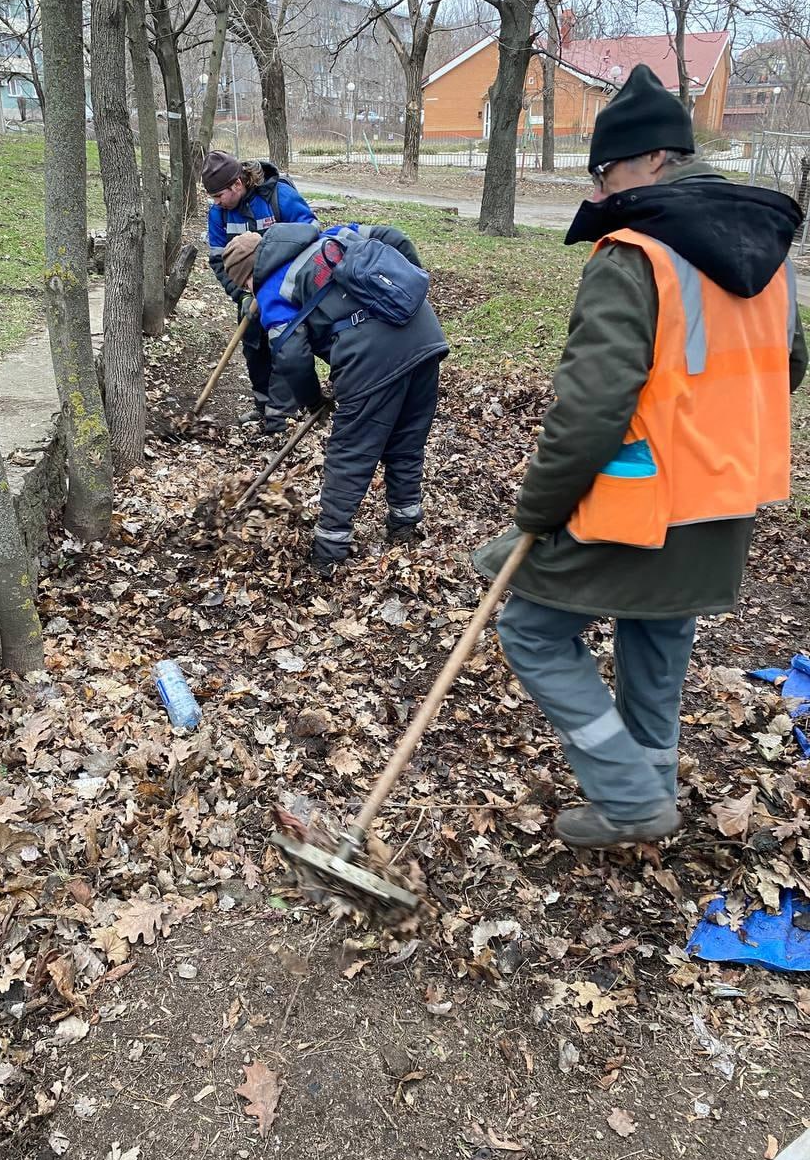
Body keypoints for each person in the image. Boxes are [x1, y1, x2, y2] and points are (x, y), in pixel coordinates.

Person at [472, 64, 807, 850]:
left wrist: (537, 511)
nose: (600, 188)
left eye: (608, 168)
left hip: (644, 505)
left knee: (529, 627)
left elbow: (589, 410)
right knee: (657, 632)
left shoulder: (635, 257)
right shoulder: (768, 255)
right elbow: (785, 367)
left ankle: (628, 796)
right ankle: (648, 788)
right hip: (722, 503)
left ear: (655, 161)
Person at [220, 222, 449, 578]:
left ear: (249, 275)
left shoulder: (272, 290)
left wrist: (314, 402)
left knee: (350, 452)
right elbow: (393, 237)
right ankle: (405, 526)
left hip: (372, 357)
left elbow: (292, 358)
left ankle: (329, 550)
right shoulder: (331, 235)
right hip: (425, 333)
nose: (249, 292)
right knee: (406, 439)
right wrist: (406, 294)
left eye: (244, 286)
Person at [202, 150, 320, 433]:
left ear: (237, 184)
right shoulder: (219, 213)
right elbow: (220, 261)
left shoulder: (277, 196)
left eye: (219, 195)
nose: (216, 203)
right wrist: (241, 295)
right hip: (249, 292)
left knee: (283, 343)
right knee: (254, 346)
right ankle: (262, 405)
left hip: (286, 290)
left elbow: (311, 233)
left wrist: (279, 278)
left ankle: (281, 414)